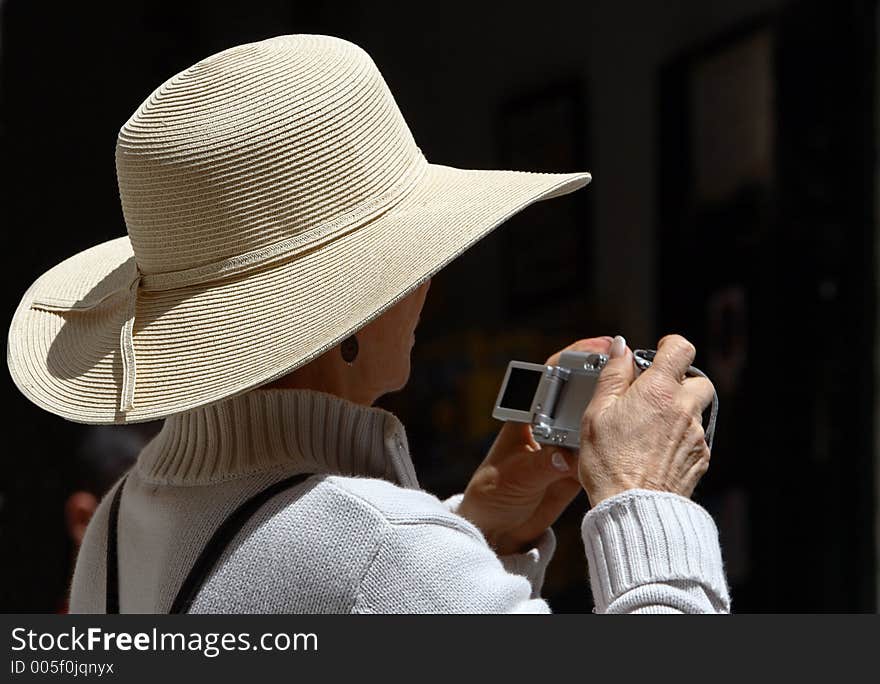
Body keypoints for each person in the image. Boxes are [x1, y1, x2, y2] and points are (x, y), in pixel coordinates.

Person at [7, 35, 729, 613]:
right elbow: (365, 575)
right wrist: (646, 498)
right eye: (412, 260)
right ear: (348, 315)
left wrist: (481, 533)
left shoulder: (117, 523)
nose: (428, 286)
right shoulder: (383, 553)